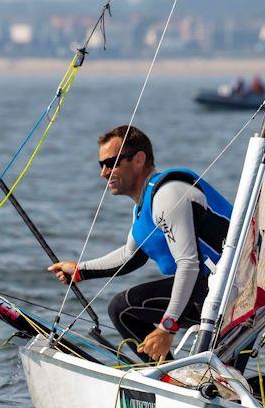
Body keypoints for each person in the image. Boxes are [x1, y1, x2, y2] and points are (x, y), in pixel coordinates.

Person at [48, 125, 232, 362]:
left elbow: (188, 264)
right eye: (101, 165)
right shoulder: (143, 207)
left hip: (231, 289)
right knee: (229, 379)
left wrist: (167, 327)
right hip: (214, 291)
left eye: (112, 162)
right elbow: (130, 255)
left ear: (139, 160)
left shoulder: (168, 194)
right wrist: (80, 271)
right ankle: (171, 382)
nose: (104, 172)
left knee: (122, 308)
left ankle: (169, 381)